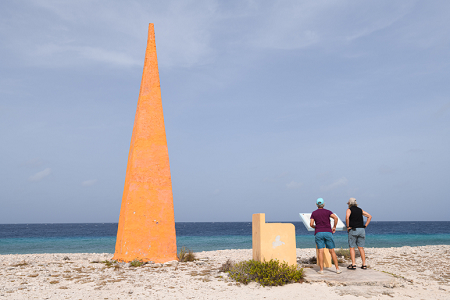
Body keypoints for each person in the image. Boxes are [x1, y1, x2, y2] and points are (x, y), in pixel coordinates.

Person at [310, 198, 341, 274]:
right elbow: (335, 218)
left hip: (318, 233)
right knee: (332, 251)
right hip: (328, 232)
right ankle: (337, 269)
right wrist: (334, 227)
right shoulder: (328, 212)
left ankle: (321, 270)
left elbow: (311, 224)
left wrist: (316, 227)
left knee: (320, 251)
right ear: (324, 204)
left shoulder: (314, 213)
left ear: (316, 204)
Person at [346, 197, 372, 270]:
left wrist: (348, 226)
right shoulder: (360, 210)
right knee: (361, 248)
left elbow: (347, 217)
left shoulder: (349, 210)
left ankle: (353, 264)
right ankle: (364, 264)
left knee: (352, 247)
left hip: (353, 229)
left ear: (349, 203)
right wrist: (365, 225)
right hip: (361, 230)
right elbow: (369, 216)